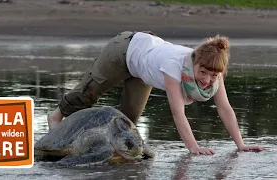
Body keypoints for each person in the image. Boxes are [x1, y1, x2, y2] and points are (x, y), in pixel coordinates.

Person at [47, 31, 265, 155]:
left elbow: (224, 108)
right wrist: (193, 147)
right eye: (203, 72)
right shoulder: (174, 66)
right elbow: (178, 112)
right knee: (88, 95)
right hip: (124, 51)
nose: (207, 79)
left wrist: (241, 145)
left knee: (127, 121)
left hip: (143, 69)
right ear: (195, 61)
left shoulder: (215, 73)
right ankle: (56, 117)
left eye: (214, 76)